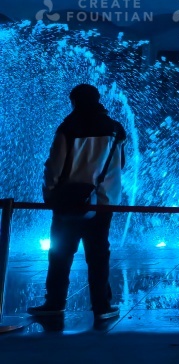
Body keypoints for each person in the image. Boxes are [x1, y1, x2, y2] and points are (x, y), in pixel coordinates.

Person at [27, 84, 126, 322]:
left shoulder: (68, 127)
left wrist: (50, 193)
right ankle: (102, 306)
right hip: (102, 202)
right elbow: (120, 165)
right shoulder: (116, 130)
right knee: (98, 253)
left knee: (60, 252)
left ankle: (55, 302)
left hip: (68, 200)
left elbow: (54, 165)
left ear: (74, 101)